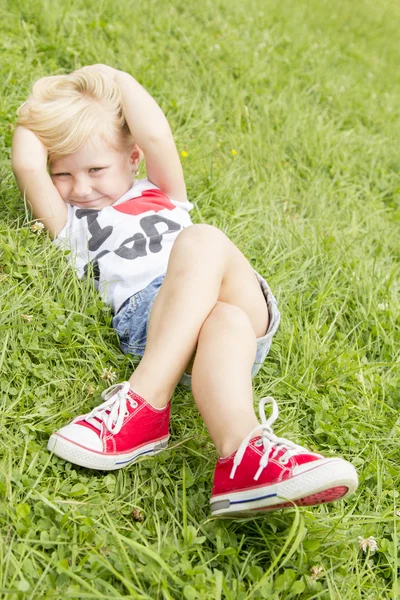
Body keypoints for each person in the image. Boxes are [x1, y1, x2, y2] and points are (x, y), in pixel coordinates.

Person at [11, 64, 358, 517]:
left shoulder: (163, 192)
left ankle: (145, 404)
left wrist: (114, 76)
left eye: (96, 168)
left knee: (203, 243)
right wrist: (42, 112)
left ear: (132, 158)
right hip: (156, 321)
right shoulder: (73, 224)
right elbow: (25, 162)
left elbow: (155, 132)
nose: (81, 187)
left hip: (228, 298)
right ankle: (243, 455)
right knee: (224, 313)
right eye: (64, 176)